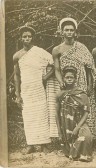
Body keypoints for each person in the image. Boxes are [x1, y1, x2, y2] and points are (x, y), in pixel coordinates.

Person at [52, 18, 96, 138]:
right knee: (68, 109)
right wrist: (61, 82)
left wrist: (89, 85)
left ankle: (87, 137)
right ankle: (69, 137)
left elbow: (88, 68)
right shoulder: (57, 50)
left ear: (75, 32)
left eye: (71, 30)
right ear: (62, 32)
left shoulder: (81, 47)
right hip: (67, 82)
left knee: (84, 108)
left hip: (81, 82)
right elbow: (57, 70)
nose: (69, 32)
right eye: (66, 30)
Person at [13, 26, 53, 154]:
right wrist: (17, 93)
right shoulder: (17, 56)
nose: (27, 39)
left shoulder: (39, 52)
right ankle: (30, 144)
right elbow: (17, 75)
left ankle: (44, 144)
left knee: (41, 114)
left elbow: (53, 65)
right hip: (26, 89)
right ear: (21, 38)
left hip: (38, 88)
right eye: (24, 36)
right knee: (28, 116)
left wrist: (44, 78)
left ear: (32, 38)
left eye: (29, 36)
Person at [55, 66, 93, 162]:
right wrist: (59, 131)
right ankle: (73, 152)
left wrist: (77, 127)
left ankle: (82, 155)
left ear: (75, 79)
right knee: (69, 144)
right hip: (66, 126)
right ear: (63, 79)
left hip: (79, 123)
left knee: (87, 136)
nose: (69, 79)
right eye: (67, 77)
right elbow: (56, 113)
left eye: (71, 77)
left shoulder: (81, 94)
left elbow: (86, 112)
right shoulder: (60, 94)